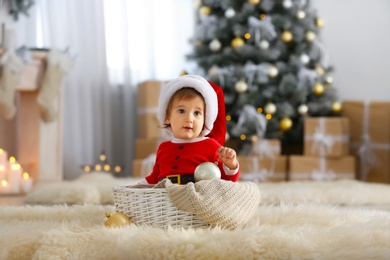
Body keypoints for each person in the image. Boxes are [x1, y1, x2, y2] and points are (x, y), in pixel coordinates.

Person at [140, 74, 240, 185]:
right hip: (167, 198)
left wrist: (230, 165)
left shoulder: (211, 146)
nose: (189, 119)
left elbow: (226, 181)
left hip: (196, 198)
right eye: (181, 111)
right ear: (168, 117)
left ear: (204, 120)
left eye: (197, 113)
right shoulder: (163, 148)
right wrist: (137, 187)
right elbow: (155, 177)